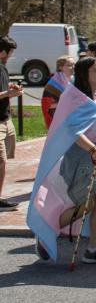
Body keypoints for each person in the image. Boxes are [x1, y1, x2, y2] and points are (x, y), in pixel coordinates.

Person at [29, 56, 96, 263]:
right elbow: (72, 130)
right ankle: (47, 230)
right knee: (87, 203)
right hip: (83, 155)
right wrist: (93, 150)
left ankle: (94, 249)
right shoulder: (74, 96)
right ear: (85, 74)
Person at [0, 35, 23, 211]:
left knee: (5, 160)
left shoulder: (3, 68)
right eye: (10, 52)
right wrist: (7, 94)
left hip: (6, 120)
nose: (11, 55)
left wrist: (11, 90)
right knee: (1, 162)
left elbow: (4, 90)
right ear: (2, 52)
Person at [42, 56, 77, 130]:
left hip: (73, 117)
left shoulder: (74, 80)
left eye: (74, 64)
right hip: (58, 120)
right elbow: (47, 106)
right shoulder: (53, 85)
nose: (73, 67)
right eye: (70, 65)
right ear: (61, 67)